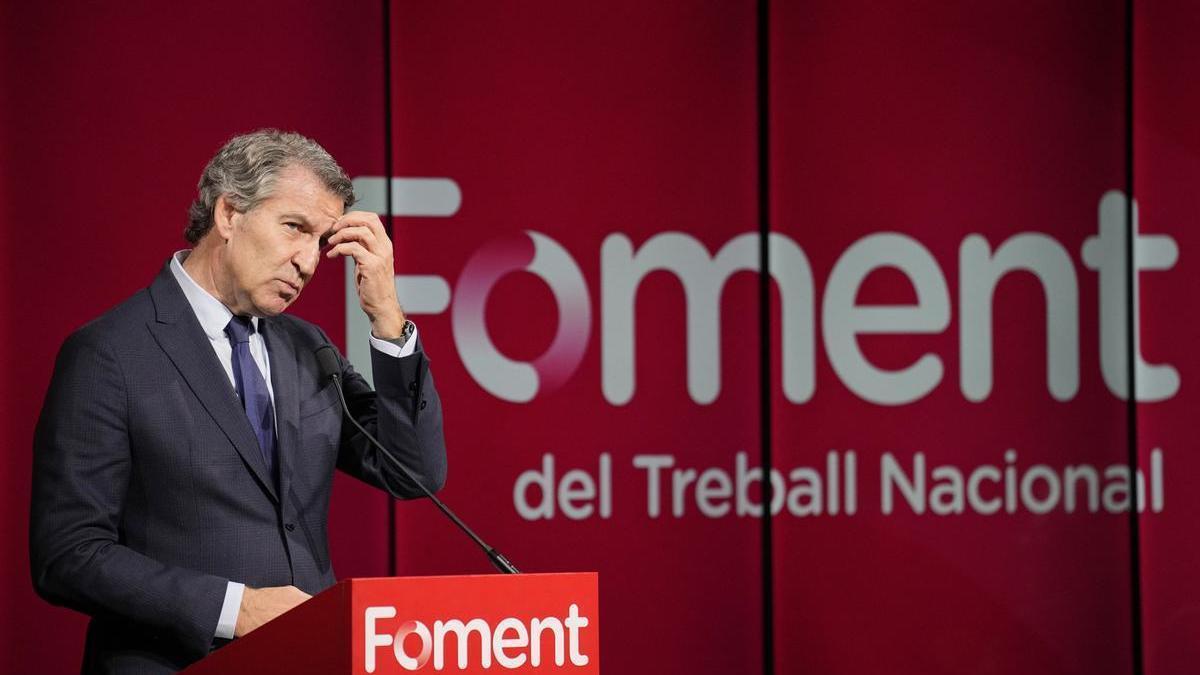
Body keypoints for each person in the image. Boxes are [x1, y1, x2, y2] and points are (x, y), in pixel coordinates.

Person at [29, 130, 447, 673]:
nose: (309, 262)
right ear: (229, 213)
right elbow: (68, 555)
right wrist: (235, 608)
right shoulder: (110, 353)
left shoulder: (308, 348)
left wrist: (389, 320)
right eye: (294, 227)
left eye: (320, 242)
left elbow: (413, 473)